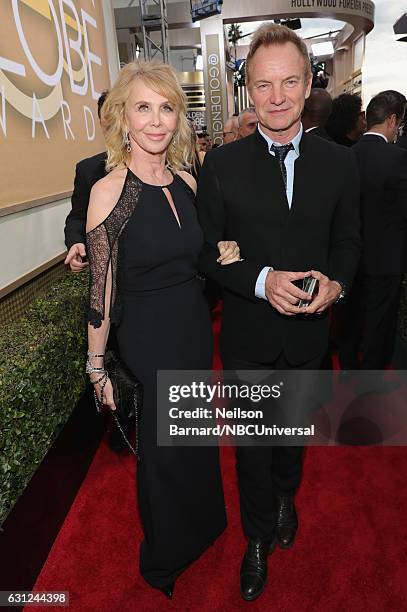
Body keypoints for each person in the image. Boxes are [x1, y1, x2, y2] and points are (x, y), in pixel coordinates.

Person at [196, 24, 361, 602]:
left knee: (291, 441)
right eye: (264, 84)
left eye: (289, 81)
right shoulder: (222, 165)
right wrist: (261, 281)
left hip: (311, 338)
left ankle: (288, 496)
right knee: (251, 450)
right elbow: (208, 251)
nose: (277, 96)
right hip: (247, 338)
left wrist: (337, 285)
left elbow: (349, 241)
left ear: (308, 80)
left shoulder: (340, 163)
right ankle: (257, 537)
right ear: (248, 90)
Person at [85, 61, 241, 598]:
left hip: (194, 326)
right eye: (143, 108)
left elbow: (199, 255)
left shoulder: (188, 182)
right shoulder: (110, 192)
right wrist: (96, 365)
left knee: (196, 435)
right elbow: (100, 288)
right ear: (123, 119)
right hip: (148, 335)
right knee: (164, 448)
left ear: (179, 117)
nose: (156, 121)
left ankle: (204, 525)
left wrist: (221, 251)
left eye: (166, 108)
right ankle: (167, 553)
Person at [339, 90, 407, 372]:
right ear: (391, 120)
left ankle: (347, 370)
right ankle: (371, 382)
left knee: (351, 320)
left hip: (350, 258)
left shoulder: (344, 156)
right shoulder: (399, 158)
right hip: (387, 259)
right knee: (380, 325)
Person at [64, 91, 109, 272]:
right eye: (108, 119)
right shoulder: (88, 170)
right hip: (106, 271)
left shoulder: (162, 169)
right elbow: (77, 218)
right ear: (100, 122)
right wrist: (76, 242)